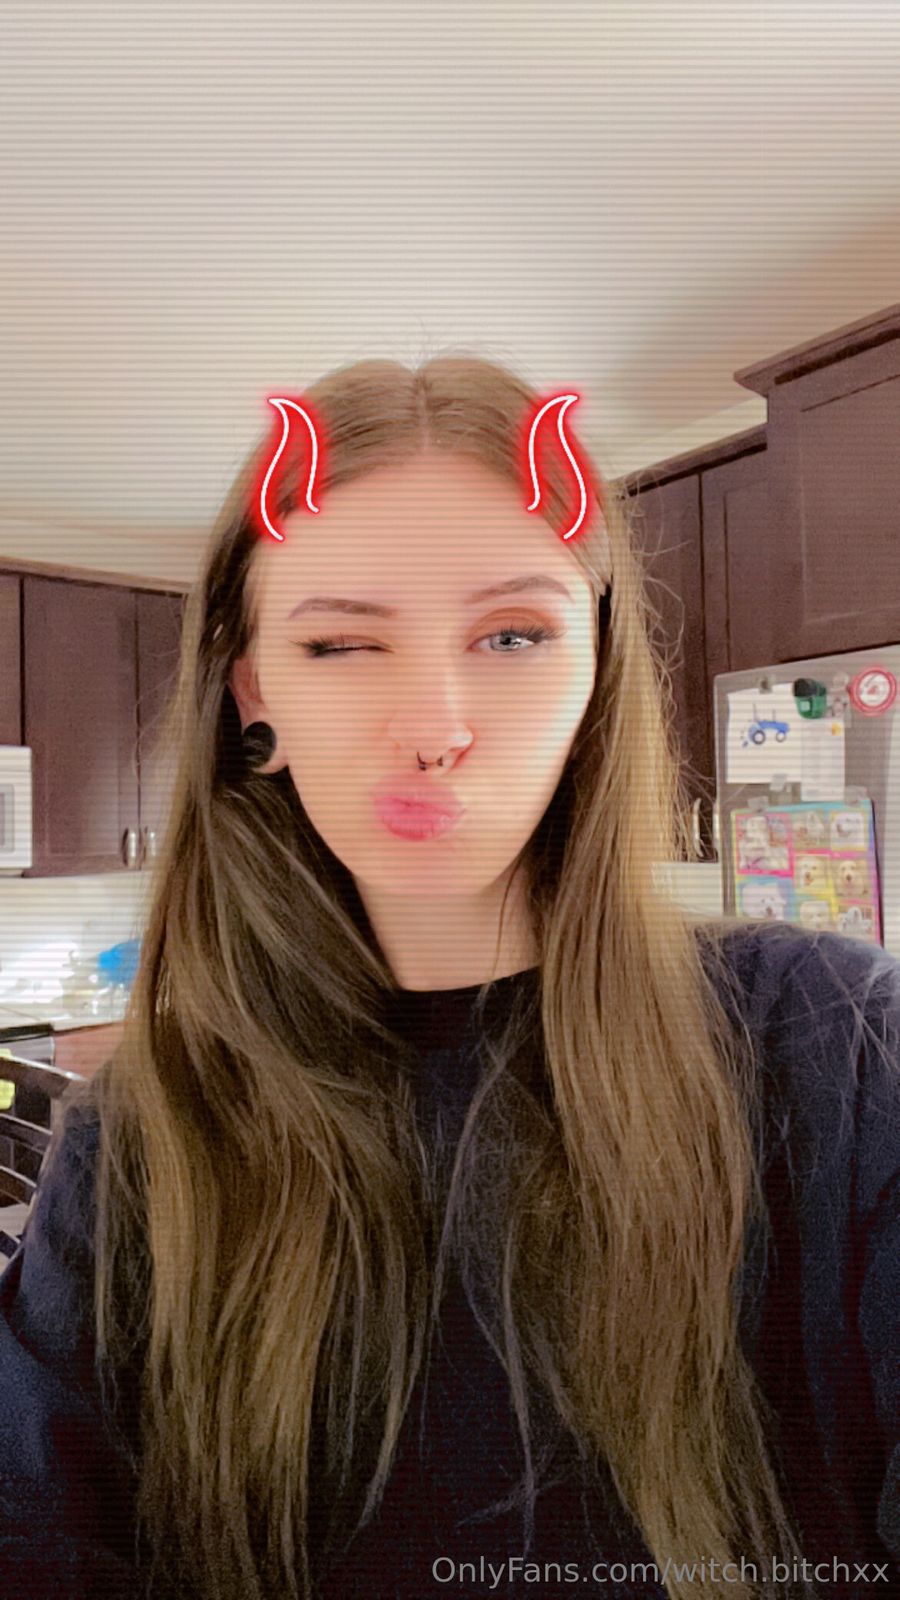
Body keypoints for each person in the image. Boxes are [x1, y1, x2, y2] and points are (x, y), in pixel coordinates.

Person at [0, 352, 898, 1600]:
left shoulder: (839, 1046)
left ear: (596, 672)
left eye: (514, 634)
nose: (433, 725)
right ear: (256, 695)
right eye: (341, 645)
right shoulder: (144, 1142)